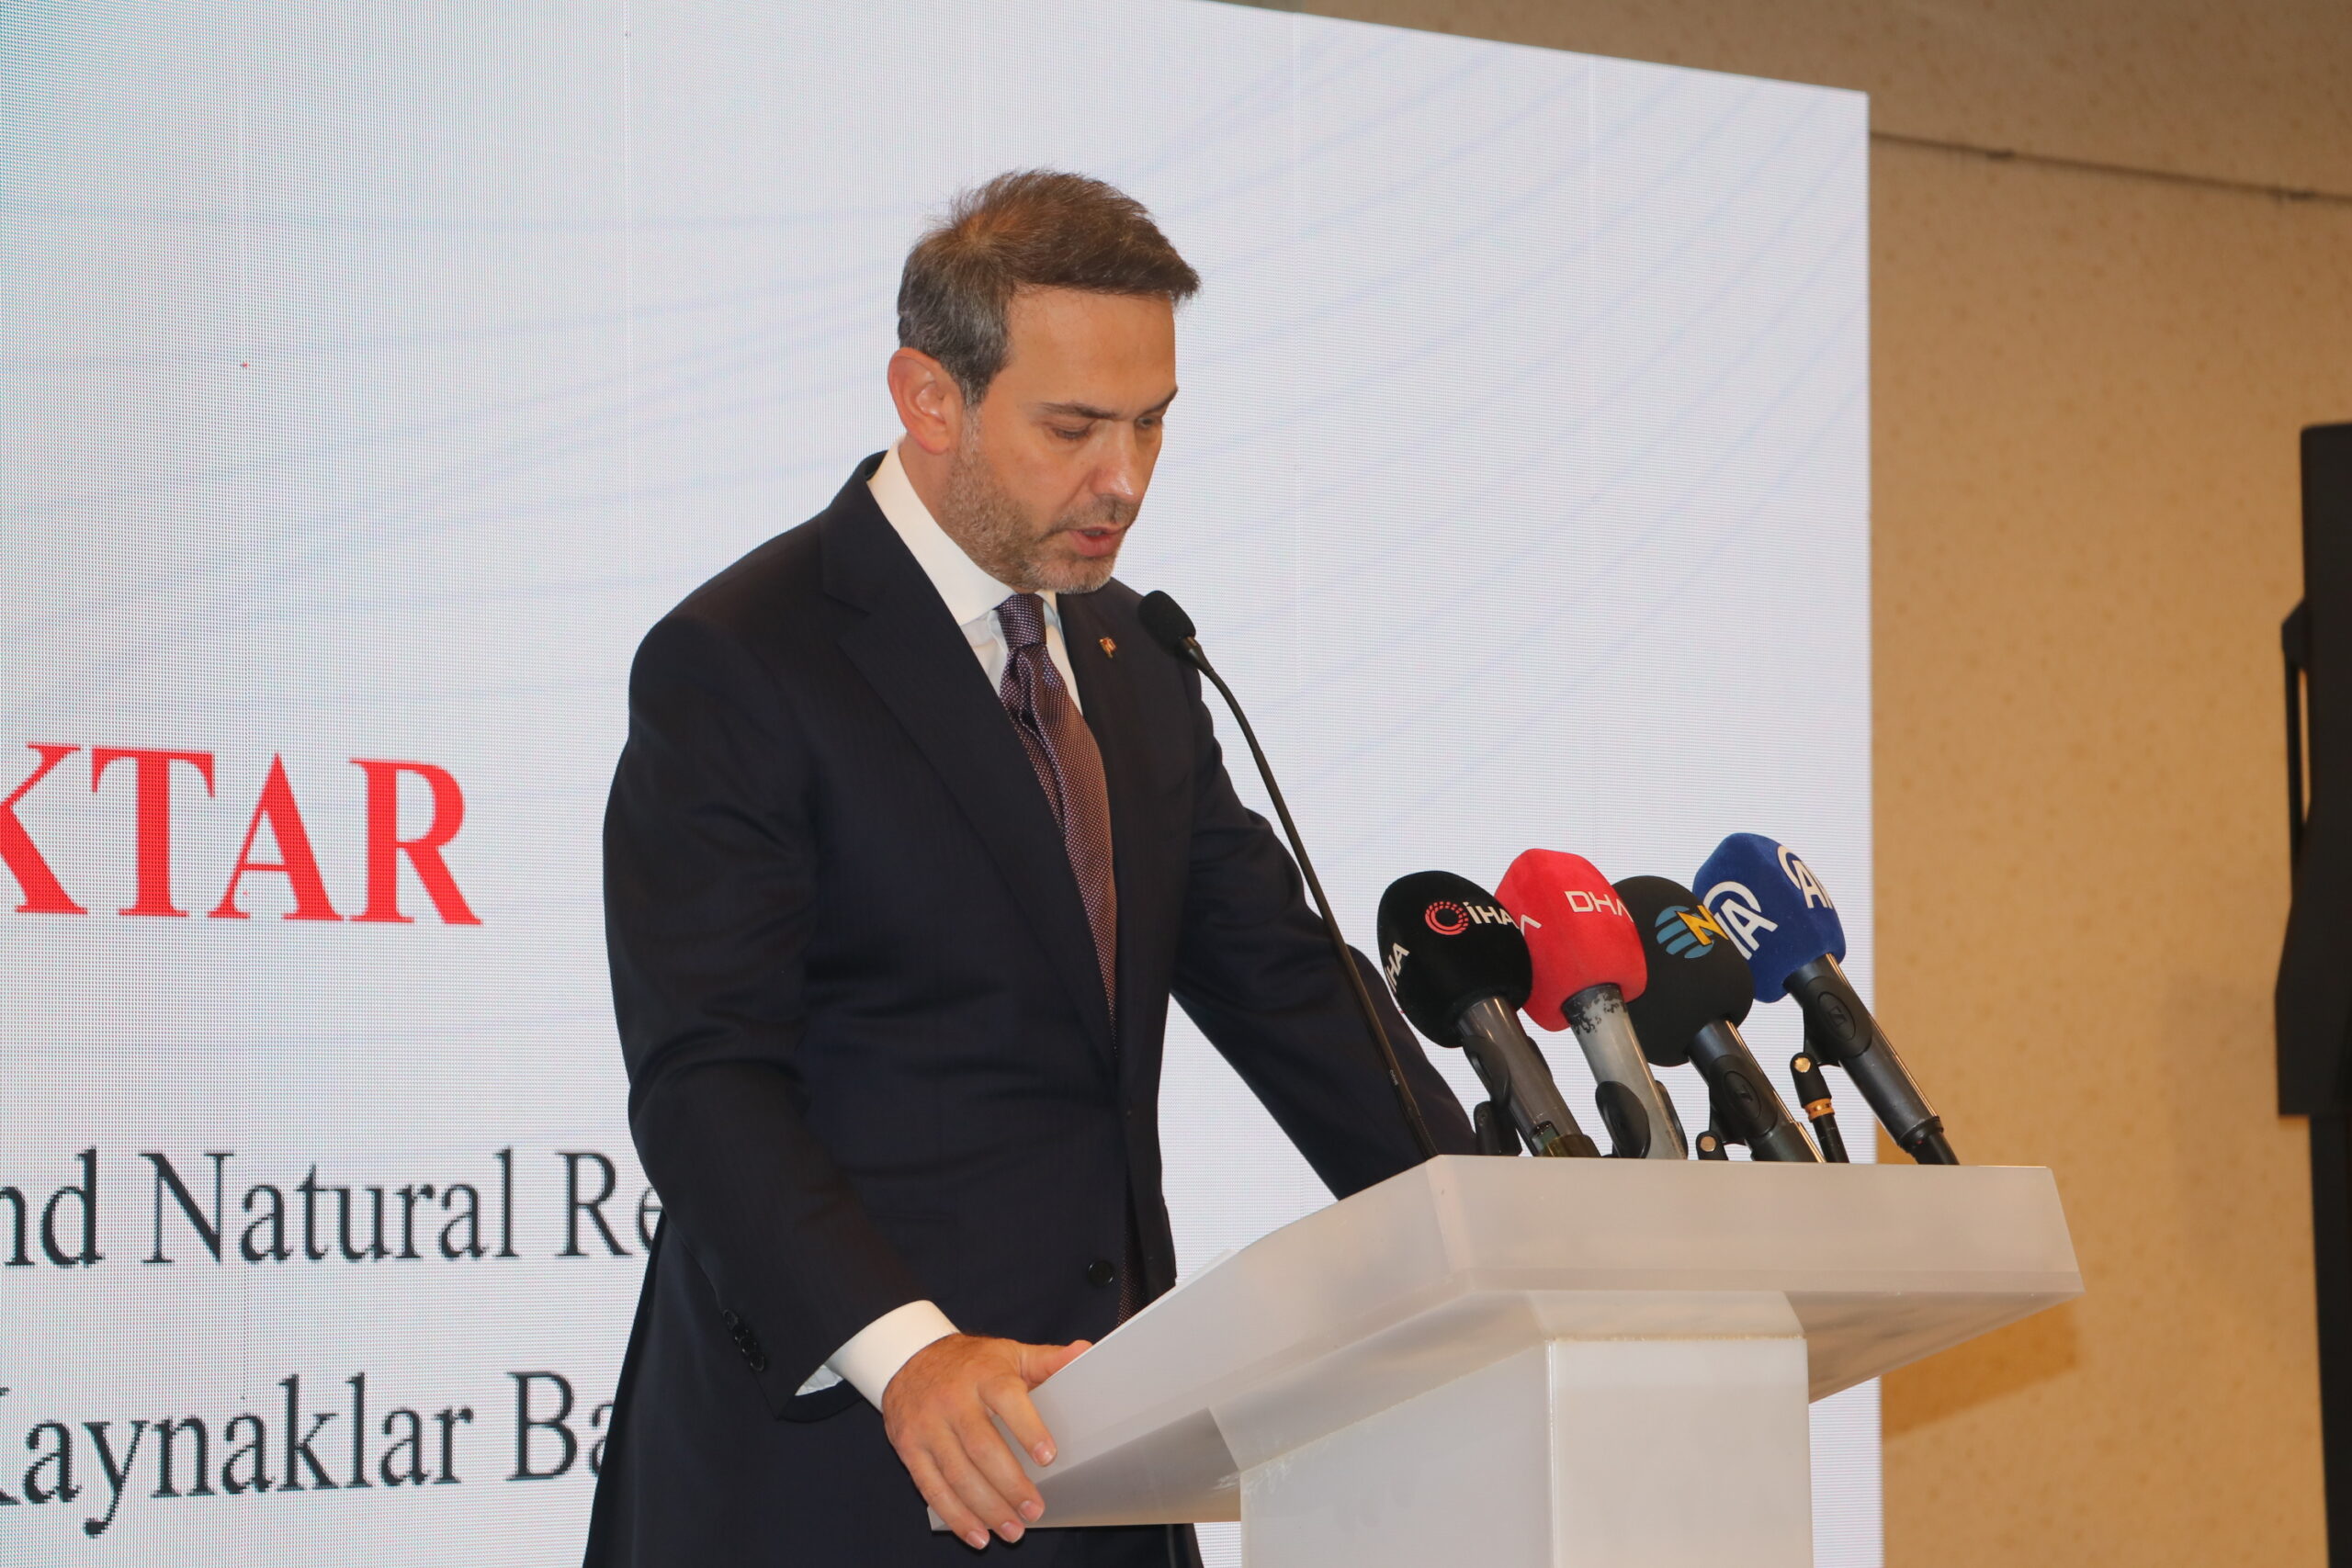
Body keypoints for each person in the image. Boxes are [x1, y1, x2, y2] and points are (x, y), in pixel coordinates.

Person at [585, 169, 1475, 1566]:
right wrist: (909, 1354)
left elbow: (1288, 986)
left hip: (1108, 1457)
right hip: (843, 1471)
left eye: (1151, 422)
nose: (1124, 478)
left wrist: (1498, 1227)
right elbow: (706, 1079)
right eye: (1073, 427)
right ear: (929, 398)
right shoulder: (746, 659)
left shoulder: (1130, 658)